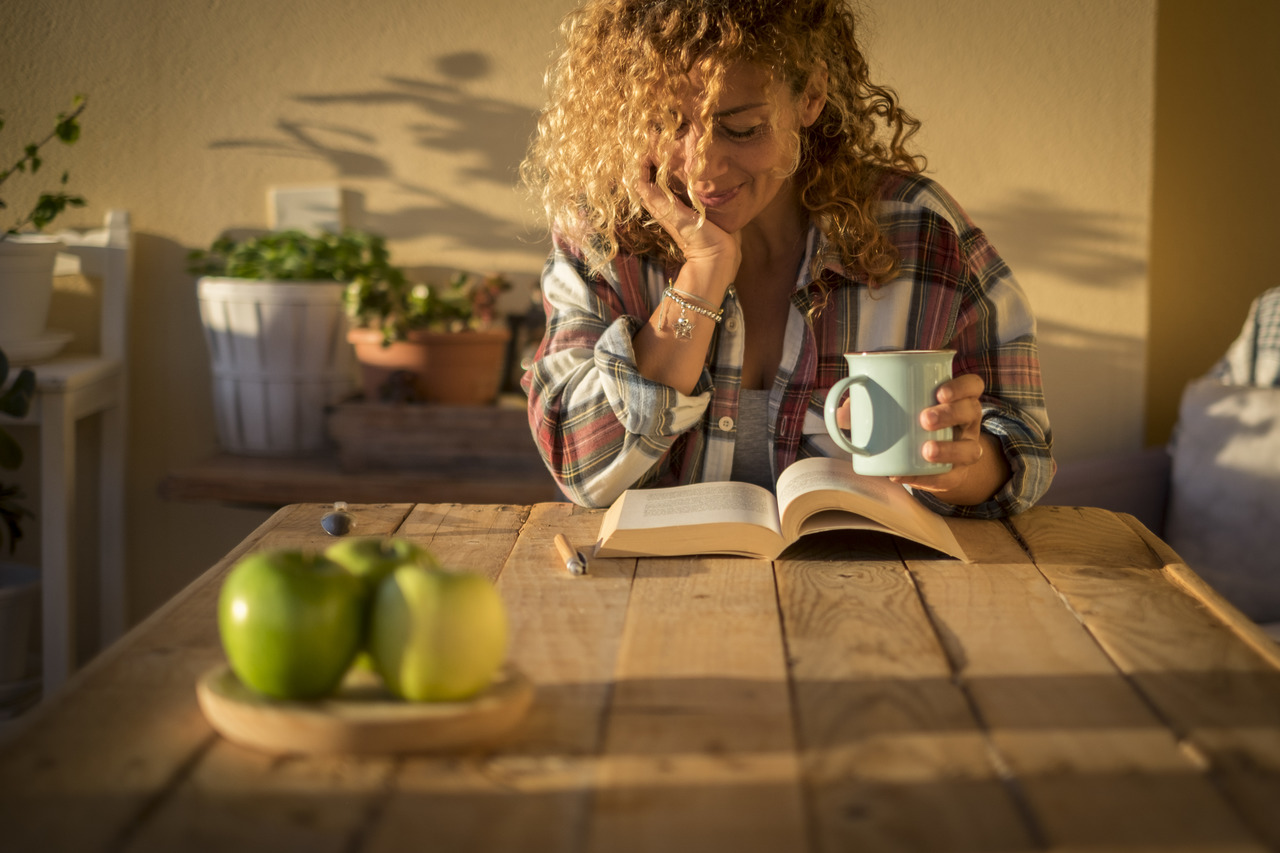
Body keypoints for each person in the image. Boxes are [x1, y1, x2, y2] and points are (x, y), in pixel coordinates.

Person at [520, 0, 1053, 518]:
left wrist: (961, 471)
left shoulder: (919, 229)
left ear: (811, 95)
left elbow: (1024, 446)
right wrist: (701, 276)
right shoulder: (605, 235)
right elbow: (581, 465)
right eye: (667, 123)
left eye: (742, 128)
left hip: (871, 574)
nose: (702, 167)